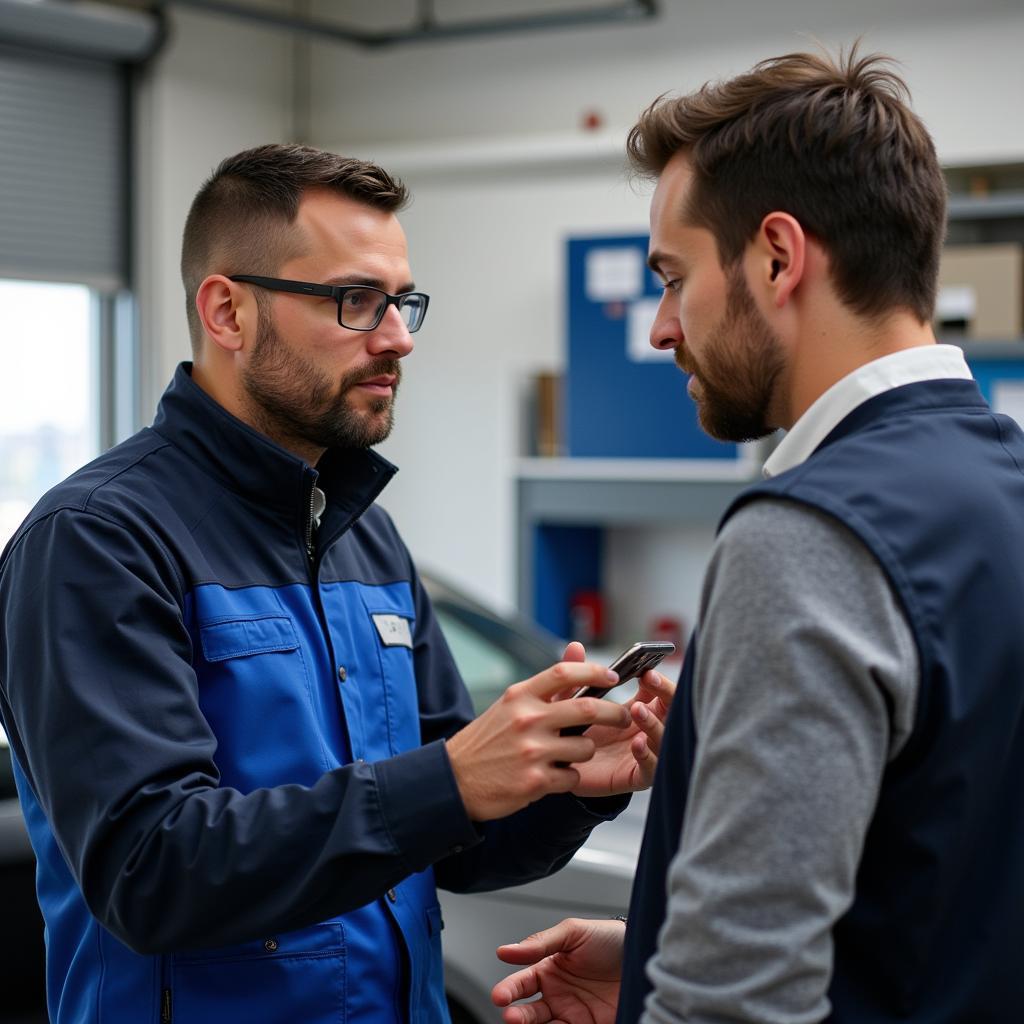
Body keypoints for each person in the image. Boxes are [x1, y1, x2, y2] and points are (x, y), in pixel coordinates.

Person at [0, 143, 675, 1024]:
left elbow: (451, 847)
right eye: (356, 301)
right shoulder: (96, 542)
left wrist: (567, 785)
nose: (396, 336)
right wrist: (454, 780)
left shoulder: (366, 538)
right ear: (228, 312)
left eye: (402, 302)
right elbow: (150, 871)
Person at [492, 47, 1024, 1023]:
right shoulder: (1001, 483)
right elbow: (950, 881)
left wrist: (687, 981)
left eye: (673, 276)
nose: (659, 328)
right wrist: (651, 946)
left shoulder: (807, 535)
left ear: (777, 256)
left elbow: (733, 1001)